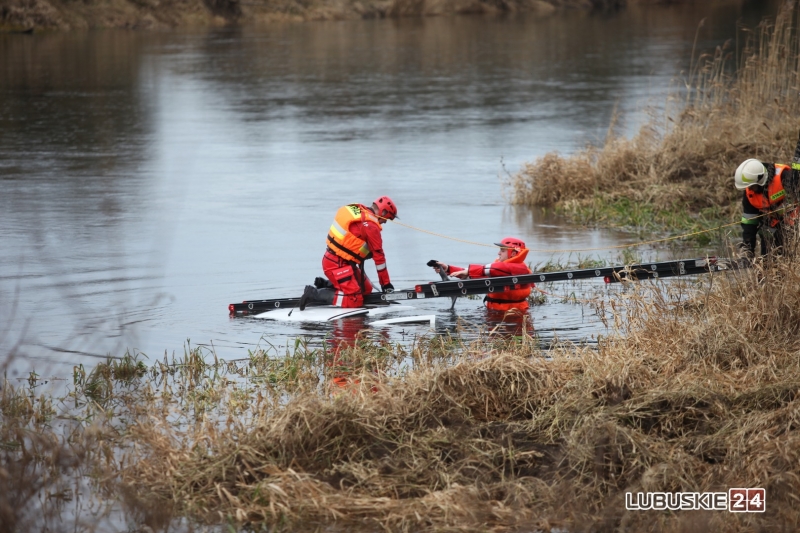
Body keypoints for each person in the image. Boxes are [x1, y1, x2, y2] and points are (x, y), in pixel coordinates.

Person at [299, 196, 398, 310]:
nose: (385, 222)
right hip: (337, 264)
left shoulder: (358, 210)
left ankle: (329, 286)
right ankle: (314, 294)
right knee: (355, 300)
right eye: (387, 219)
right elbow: (379, 258)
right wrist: (386, 284)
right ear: (383, 212)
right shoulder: (371, 227)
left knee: (366, 289)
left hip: (336, 260)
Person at [429, 237, 533, 312]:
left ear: (513, 254)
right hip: (494, 313)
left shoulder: (521, 268)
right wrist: (448, 269)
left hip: (514, 316)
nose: (498, 253)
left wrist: (469, 271)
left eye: (502, 250)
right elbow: (476, 274)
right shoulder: (497, 269)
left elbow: (491, 269)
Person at [735, 148, 800, 258]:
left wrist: (784, 208)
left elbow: (796, 193)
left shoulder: (784, 176)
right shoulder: (749, 193)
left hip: (793, 225)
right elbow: (749, 223)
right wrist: (747, 249)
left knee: (790, 257)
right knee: (767, 260)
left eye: (751, 186)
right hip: (770, 227)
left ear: (760, 180)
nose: (749, 189)